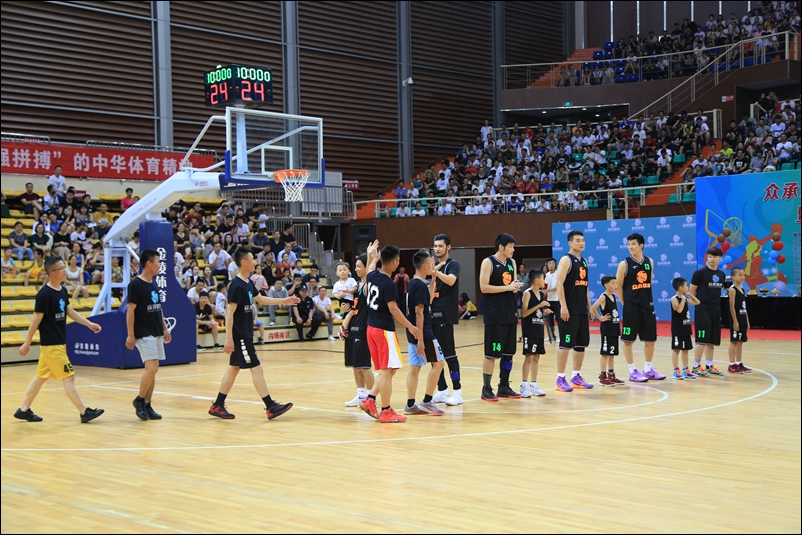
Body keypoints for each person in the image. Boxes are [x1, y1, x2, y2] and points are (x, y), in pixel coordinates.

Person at [208, 247, 299, 420]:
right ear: (244, 262)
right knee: (257, 368)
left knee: (234, 368)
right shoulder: (236, 285)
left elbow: (261, 299)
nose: (254, 262)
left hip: (245, 333)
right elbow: (229, 312)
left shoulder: (248, 282)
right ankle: (270, 406)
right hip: (240, 335)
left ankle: (217, 405)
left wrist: (285, 301)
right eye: (252, 259)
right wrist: (228, 338)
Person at [13, 256, 104, 423]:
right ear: (52, 273)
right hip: (51, 345)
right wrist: (27, 342)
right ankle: (84, 412)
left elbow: (69, 312)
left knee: (41, 377)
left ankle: (23, 410)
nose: (65, 270)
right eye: (61, 268)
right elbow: (36, 319)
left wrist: (88, 324)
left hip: (58, 343)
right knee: (69, 377)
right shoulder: (44, 295)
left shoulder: (62, 290)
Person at [358, 245, 422, 423]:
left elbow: (370, 268)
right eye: (398, 260)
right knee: (387, 371)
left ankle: (370, 400)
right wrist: (410, 326)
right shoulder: (389, 284)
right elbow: (393, 309)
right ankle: (386, 410)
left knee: (389, 370)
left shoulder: (372, 275)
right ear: (394, 262)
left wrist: (373, 258)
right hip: (383, 331)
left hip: (371, 329)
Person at [125, 249, 172, 420]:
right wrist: (130, 334)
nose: (160, 265)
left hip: (156, 330)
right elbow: (130, 310)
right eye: (158, 262)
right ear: (149, 263)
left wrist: (165, 329)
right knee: (152, 368)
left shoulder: (153, 283)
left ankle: (147, 404)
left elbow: (158, 308)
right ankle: (139, 400)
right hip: (143, 332)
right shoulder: (136, 284)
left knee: (152, 371)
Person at [479, 233, 524, 401]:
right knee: (491, 354)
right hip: (495, 315)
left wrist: (515, 287)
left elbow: (512, 285)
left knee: (509, 353)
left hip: (510, 313)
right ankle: (486, 388)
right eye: (511, 246)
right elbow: (484, 287)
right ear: (501, 247)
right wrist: (507, 288)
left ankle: (503, 385)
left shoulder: (512, 263)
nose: (513, 249)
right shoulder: (488, 262)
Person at [616, 233, 664, 382]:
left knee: (650, 340)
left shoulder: (650, 261)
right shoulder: (624, 264)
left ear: (641, 245)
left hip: (647, 306)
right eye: (628, 244)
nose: (630, 247)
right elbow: (619, 287)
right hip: (631, 307)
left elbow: (648, 282)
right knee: (628, 341)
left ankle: (648, 369)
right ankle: (632, 371)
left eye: (633, 244)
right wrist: (626, 304)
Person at [402, 249, 446, 416]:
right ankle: (427, 401)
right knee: (439, 363)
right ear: (425, 265)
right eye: (430, 263)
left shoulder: (413, 283)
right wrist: (420, 339)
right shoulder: (419, 285)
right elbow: (419, 312)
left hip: (412, 332)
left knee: (415, 368)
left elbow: (428, 300)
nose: (431, 266)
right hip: (423, 332)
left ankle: (410, 404)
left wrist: (433, 279)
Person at [554, 230, 596, 392]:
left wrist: (589, 307)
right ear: (570, 243)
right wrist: (563, 306)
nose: (581, 243)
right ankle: (560, 378)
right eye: (578, 240)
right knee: (565, 344)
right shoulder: (566, 260)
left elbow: (585, 286)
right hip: (569, 309)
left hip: (581, 309)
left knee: (581, 344)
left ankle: (576, 377)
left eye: (583, 240)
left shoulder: (584, 261)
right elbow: (559, 284)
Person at [430, 234, 464, 406]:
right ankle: (442, 390)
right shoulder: (433, 267)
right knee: (435, 357)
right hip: (431, 315)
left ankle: (457, 392)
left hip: (444, 315)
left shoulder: (452, 265)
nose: (437, 249)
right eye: (435, 246)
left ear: (448, 247)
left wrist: (435, 273)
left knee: (449, 354)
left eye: (440, 246)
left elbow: (451, 281)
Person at [341, 248, 378, 407]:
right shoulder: (356, 285)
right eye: (355, 266)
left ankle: (371, 398)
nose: (356, 269)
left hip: (363, 329)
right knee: (355, 366)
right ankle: (361, 394)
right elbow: (352, 307)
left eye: (358, 266)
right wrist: (345, 312)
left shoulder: (368, 285)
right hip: (352, 328)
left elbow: (370, 274)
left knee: (364, 366)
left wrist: (370, 257)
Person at [689, 247, 726, 377]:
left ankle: (709, 365)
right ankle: (696, 366)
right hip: (702, 310)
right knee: (702, 340)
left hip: (715, 310)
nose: (712, 259)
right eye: (710, 256)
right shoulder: (699, 273)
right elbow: (691, 292)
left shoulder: (721, 275)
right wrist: (698, 305)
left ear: (720, 258)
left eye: (715, 257)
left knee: (711, 340)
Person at [520, 270, 551, 397]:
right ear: (537, 280)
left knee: (536, 357)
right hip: (529, 329)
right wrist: (539, 306)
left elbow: (537, 312)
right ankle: (523, 386)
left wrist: (544, 311)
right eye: (543, 278)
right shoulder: (527, 293)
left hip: (539, 328)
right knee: (529, 357)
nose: (545, 281)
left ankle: (533, 385)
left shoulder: (541, 294)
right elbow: (524, 313)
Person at [591, 275, 624, 386]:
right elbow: (593, 307)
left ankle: (611, 375)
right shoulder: (603, 296)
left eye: (616, 283)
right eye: (613, 283)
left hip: (614, 327)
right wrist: (600, 318)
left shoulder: (613, 296)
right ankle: (602, 376)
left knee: (612, 353)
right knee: (605, 353)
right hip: (607, 328)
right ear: (606, 285)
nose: (615, 285)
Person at [670, 277, 700, 380]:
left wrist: (689, 294)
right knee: (676, 349)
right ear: (681, 288)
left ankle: (686, 369)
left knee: (686, 349)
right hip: (678, 329)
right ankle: (676, 370)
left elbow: (697, 302)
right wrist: (683, 299)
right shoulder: (674, 299)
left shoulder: (685, 299)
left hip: (686, 327)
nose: (687, 288)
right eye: (686, 286)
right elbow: (679, 310)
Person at [727, 267, 752, 374]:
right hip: (736, 319)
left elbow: (744, 307)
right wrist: (735, 321)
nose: (742, 277)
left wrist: (747, 321)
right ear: (733, 277)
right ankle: (731, 364)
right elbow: (732, 307)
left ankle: (739, 363)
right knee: (734, 341)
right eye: (740, 275)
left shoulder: (742, 289)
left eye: (743, 275)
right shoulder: (732, 290)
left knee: (740, 341)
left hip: (742, 318)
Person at [544, 257, 559, 343]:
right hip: (549, 299)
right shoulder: (547, 275)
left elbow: (558, 287)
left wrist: (548, 291)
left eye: (553, 263)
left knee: (559, 319)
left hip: (557, 299)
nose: (551, 265)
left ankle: (561, 336)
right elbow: (545, 286)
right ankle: (551, 335)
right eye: (549, 263)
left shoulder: (558, 273)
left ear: (555, 264)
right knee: (549, 319)